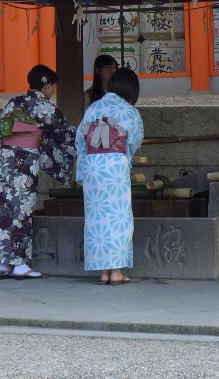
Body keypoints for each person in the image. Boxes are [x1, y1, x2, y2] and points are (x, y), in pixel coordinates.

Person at [0, 64, 76, 280]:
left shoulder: (13, 103)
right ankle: (20, 265)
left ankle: (4, 263)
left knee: (2, 208)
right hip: (23, 163)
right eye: (53, 87)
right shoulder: (42, 106)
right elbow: (65, 133)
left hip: (4, 161)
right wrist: (87, 147)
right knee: (21, 210)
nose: (53, 91)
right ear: (48, 86)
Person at [76, 66, 144, 285]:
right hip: (115, 166)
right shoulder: (129, 112)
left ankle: (103, 272)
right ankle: (116, 272)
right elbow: (133, 140)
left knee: (96, 220)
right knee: (118, 218)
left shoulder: (94, 108)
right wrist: (125, 158)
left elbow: (80, 139)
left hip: (93, 167)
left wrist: (83, 169)